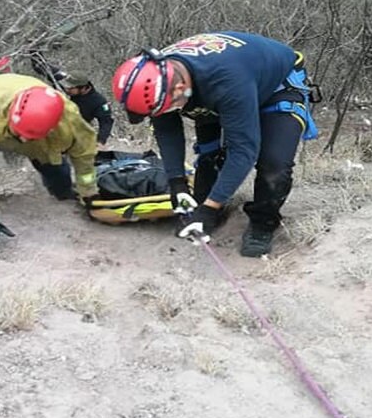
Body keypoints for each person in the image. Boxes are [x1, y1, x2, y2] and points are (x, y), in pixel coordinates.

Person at [111, 31, 318, 257]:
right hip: (216, 86)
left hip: (277, 85)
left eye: (170, 107)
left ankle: (263, 222)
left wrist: (209, 209)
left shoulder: (225, 81)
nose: (169, 112)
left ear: (179, 89)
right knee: (210, 154)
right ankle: (209, 204)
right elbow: (168, 133)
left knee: (274, 164)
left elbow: (244, 151)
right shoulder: (159, 77)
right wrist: (177, 182)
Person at [0, 73, 99, 247]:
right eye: (21, 136)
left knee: (59, 179)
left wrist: (89, 192)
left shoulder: (68, 115)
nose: (23, 141)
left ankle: (61, 187)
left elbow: (84, 153)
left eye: (27, 138)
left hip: (37, 128)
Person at [31, 58, 115, 148]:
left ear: (83, 88)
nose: (67, 89)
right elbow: (41, 66)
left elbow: (106, 122)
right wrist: (33, 51)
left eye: (71, 88)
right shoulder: (68, 80)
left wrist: (100, 141)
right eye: (66, 86)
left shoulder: (99, 102)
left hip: (74, 135)